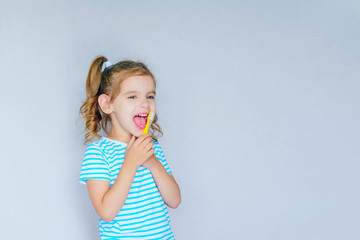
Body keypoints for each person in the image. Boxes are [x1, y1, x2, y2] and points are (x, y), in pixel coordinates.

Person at [79, 56, 181, 239]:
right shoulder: (98, 153)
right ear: (107, 104)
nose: (145, 103)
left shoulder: (153, 148)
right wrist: (131, 162)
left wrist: (153, 163)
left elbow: (174, 200)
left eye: (150, 96)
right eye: (132, 96)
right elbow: (106, 212)